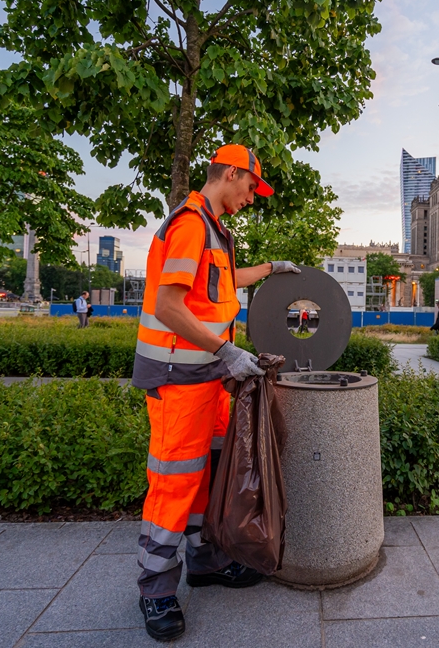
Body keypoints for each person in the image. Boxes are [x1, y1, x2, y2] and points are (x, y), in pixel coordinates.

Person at [130, 144, 301, 642]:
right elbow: (168, 305)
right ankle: (156, 590)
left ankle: (205, 561)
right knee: (175, 480)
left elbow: (222, 286)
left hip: (205, 380)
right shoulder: (188, 225)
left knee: (211, 470)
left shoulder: (214, 231)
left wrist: (270, 269)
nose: (251, 198)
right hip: (178, 382)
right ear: (230, 173)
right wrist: (228, 352)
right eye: (250, 187)